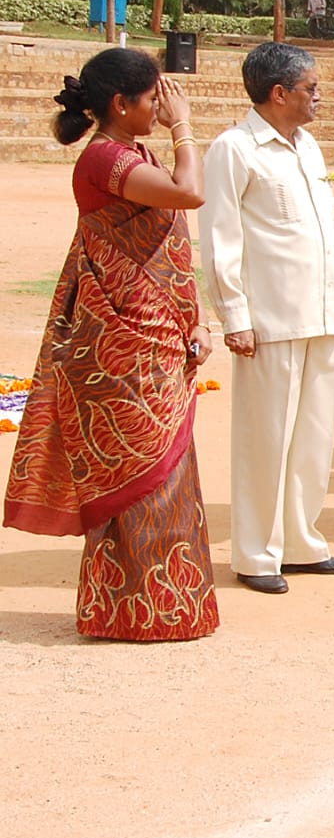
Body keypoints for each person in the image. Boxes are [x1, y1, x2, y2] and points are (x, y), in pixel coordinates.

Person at [4, 48, 218, 640]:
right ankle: (129, 613)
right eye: (153, 99)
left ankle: (171, 609)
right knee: (135, 474)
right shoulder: (104, 159)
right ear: (121, 105)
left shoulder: (133, 155)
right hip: (119, 342)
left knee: (169, 470)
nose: (161, 108)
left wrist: (194, 318)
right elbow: (188, 194)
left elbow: (171, 247)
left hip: (155, 332)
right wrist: (183, 127)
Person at [199, 42, 334, 594]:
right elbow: (220, 238)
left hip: (320, 314)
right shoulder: (234, 149)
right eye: (311, 88)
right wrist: (234, 315)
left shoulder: (308, 147)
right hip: (270, 319)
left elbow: (321, 234)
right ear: (279, 93)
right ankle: (257, 555)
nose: (319, 97)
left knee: (313, 438)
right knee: (265, 440)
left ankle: (301, 542)